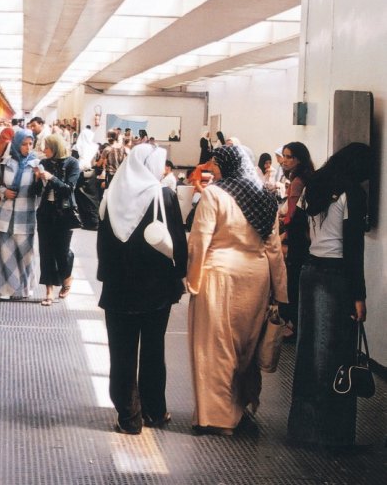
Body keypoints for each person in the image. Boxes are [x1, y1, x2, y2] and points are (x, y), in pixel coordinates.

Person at [186, 145, 287, 435]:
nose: (212, 168)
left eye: (216, 164)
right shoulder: (265, 197)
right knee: (245, 348)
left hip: (218, 277)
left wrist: (192, 281)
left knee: (215, 347)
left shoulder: (214, 194)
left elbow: (200, 241)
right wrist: (281, 293)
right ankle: (238, 409)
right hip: (256, 279)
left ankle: (217, 418)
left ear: (228, 166)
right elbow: (274, 249)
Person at [97, 143, 187, 434]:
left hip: (117, 289)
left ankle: (128, 416)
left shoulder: (110, 196)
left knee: (121, 353)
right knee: (152, 350)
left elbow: (102, 245)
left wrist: (109, 277)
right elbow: (178, 243)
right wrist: (180, 275)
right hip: (155, 290)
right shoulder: (164, 195)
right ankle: (154, 411)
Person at [288, 142, 372, 447]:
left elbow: (296, 232)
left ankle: (303, 429)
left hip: (309, 273)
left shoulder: (314, 187)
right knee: (335, 354)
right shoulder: (352, 193)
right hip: (336, 277)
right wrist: (358, 295)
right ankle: (331, 432)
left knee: (308, 351)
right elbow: (353, 249)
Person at [0, 129, 41, 300]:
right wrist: (3, 192)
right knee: (6, 254)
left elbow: (40, 192)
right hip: (5, 215)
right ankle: (7, 290)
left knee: (26, 254)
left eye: (30, 144)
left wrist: (38, 180)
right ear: (16, 144)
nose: (27, 147)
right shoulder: (5, 162)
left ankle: (26, 287)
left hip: (26, 214)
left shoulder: (36, 164)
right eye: (24, 144)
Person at [35, 134, 81, 305]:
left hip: (64, 213)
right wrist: (37, 178)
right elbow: (37, 190)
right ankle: (48, 291)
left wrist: (51, 178)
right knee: (46, 251)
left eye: (46, 147)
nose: (43, 150)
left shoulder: (72, 163)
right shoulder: (44, 163)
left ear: (55, 148)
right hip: (46, 212)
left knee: (62, 250)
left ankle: (67, 277)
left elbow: (68, 189)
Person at [279, 141, 315, 334]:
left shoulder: (298, 181)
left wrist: (284, 225)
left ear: (299, 158)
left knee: (292, 281)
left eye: (289, 156)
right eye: (284, 156)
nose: (284, 160)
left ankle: (292, 325)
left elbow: (292, 213)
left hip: (297, 239)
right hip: (307, 237)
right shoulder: (307, 177)